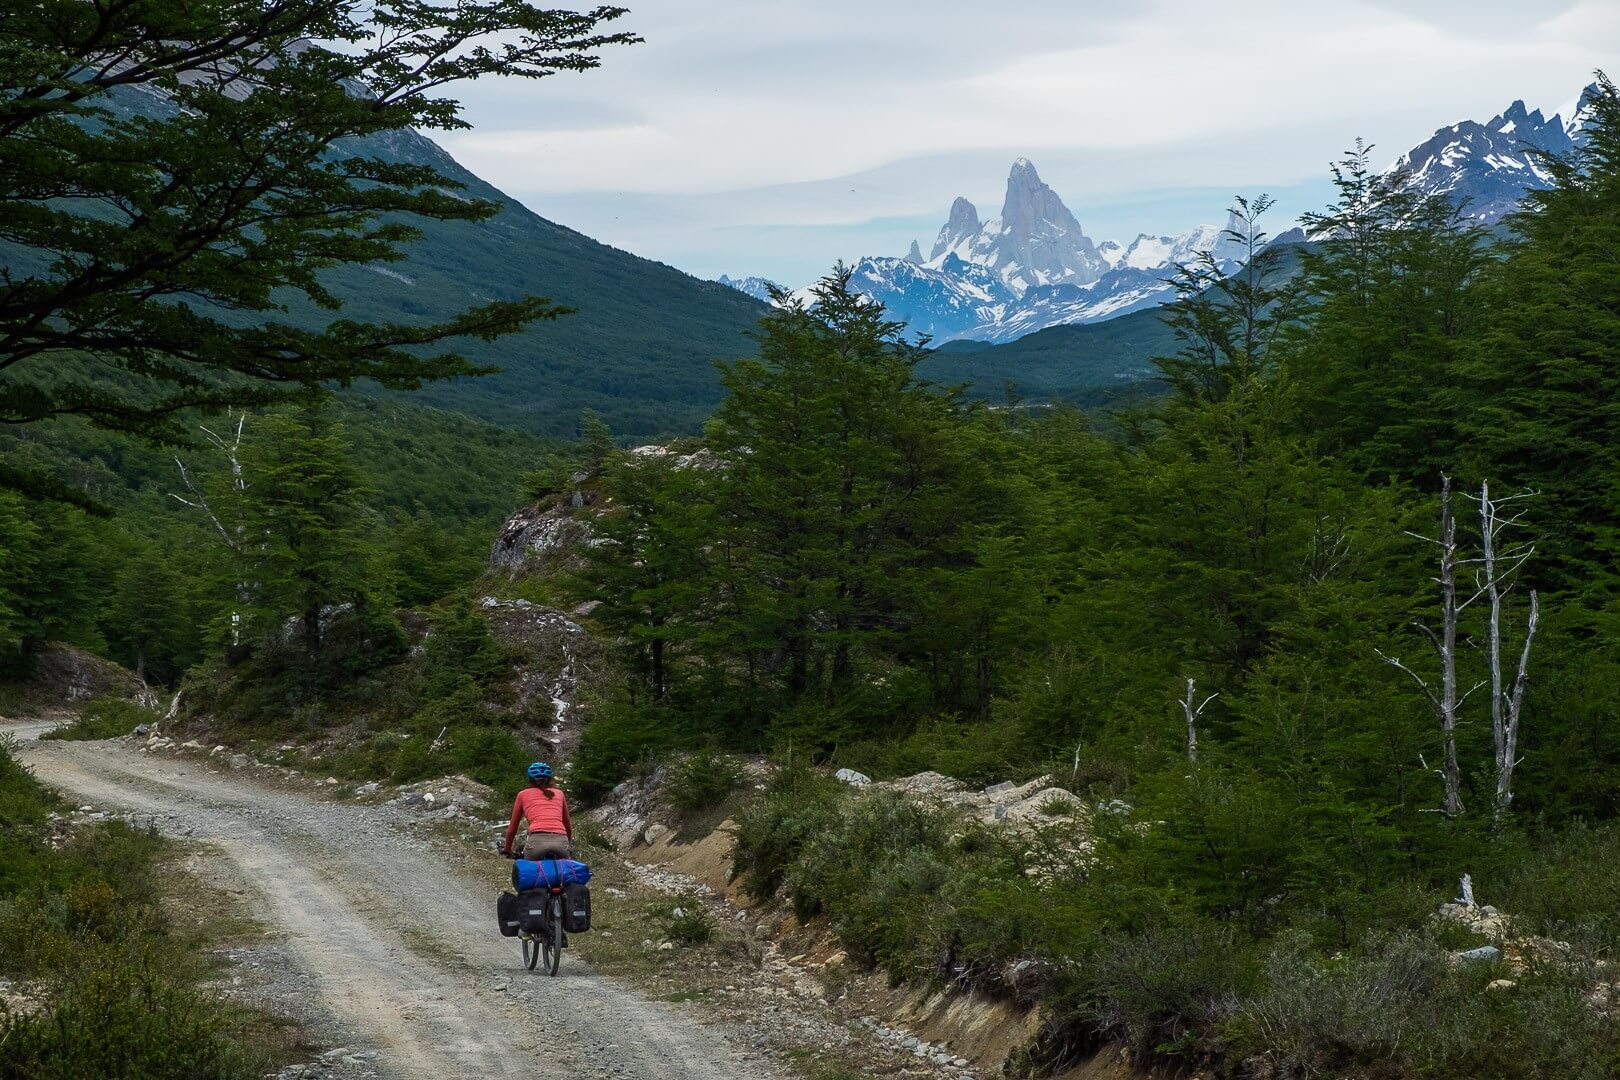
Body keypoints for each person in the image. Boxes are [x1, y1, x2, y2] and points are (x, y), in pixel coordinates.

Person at [503, 761, 573, 861]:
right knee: (563, 873)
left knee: (528, 872)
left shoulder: (523, 794)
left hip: (536, 843)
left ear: (530, 779)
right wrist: (567, 844)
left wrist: (507, 849)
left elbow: (512, 829)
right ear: (550, 779)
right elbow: (568, 826)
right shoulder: (559, 793)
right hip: (561, 841)